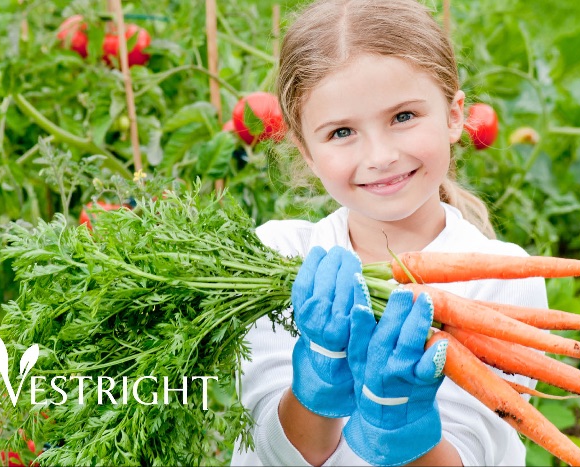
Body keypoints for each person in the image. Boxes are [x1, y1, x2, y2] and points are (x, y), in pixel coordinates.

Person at [230, 0, 548, 465]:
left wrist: (399, 429)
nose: (380, 155)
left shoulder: (506, 279)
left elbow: (475, 452)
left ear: (455, 115)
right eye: (341, 132)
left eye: (403, 117)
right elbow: (272, 452)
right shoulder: (277, 257)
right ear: (305, 150)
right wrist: (314, 386)